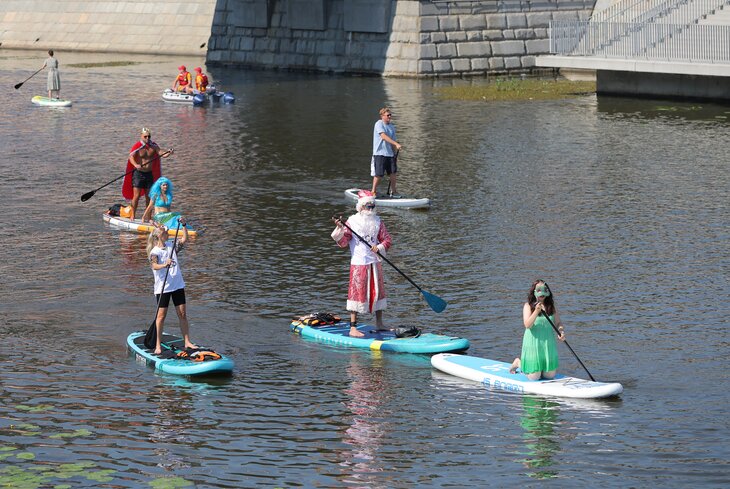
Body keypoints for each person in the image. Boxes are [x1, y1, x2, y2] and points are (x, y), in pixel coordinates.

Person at [332, 190, 392, 337]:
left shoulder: (378, 221)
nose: (370, 210)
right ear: (361, 207)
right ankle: (353, 328)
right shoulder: (352, 222)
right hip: (359, 263)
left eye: (373, 206)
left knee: (378, 292)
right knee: (356, 294)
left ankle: (379, 323)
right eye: (368, 206)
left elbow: (387, 240)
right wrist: (340, 228)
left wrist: (379, 247)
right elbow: (343, 242)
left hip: (374, 262)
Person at [146, 219, 197, 355]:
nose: (168, 233)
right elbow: (154, 266)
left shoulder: (171, 245)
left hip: (178, 285)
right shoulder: (155, 252)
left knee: (182, 314)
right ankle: (157, 345)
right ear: (159, 237)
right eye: (165, 232)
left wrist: (184, 225)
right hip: (163, 288)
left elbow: (184, 239)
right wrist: (165, 264)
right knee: (161, 317)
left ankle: (187, 341)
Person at [509, 280, 567, 380]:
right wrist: (536, 311)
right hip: (533, 343)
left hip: (547, 343)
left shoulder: (551, 307)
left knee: (549, 376)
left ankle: (542, 369)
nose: (542, 294)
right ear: (534, 292)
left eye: (544, 290)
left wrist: (561, 331)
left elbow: (558, 323)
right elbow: (527, 325)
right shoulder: (528, 306)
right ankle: (519, 362)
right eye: (539, 290)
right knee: (534, 377)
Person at [121, 128, 173, 221]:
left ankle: (148, 217)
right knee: (136, 196)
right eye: (145, 136)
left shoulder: (153, 146)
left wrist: (168, 153)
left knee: (149, 197)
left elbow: (161, 153)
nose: (147, 138)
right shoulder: (137, 146)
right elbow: (131, 157)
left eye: (149, 136)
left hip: (149, 174)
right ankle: (133, 215)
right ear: (141, 136)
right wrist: (136, 165)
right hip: (138, 174)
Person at [371, 107, 402, 198]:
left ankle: (394, 192)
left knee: (393, 173)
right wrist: (396, 144)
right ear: (382, 116)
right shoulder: (378, 124)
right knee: (379, 174)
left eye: (390, 115)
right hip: (379, 153)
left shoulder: (392, 127)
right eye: (387, 115)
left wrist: (395, 153)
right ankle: (373, 191)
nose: (389, 117)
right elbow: (383, 136)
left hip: (390, 154)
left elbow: (392, 141)